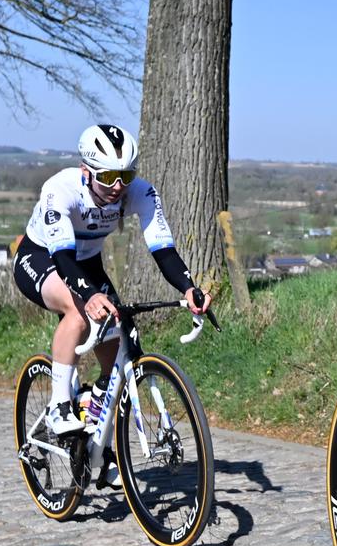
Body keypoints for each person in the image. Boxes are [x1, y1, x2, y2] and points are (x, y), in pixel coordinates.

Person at [12, 124, 207, 437]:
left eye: (126, 176)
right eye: (107, 176)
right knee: (78, 312)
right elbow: (63, 258)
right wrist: (89, 295)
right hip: (42, 258)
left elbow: (163, 250)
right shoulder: (60, 189)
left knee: (120, 338)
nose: (118, 186)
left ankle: (96, 435)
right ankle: (60, 407)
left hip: (87, 263)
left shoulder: (141, 192)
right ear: (86, 172)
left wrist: (189, 287)